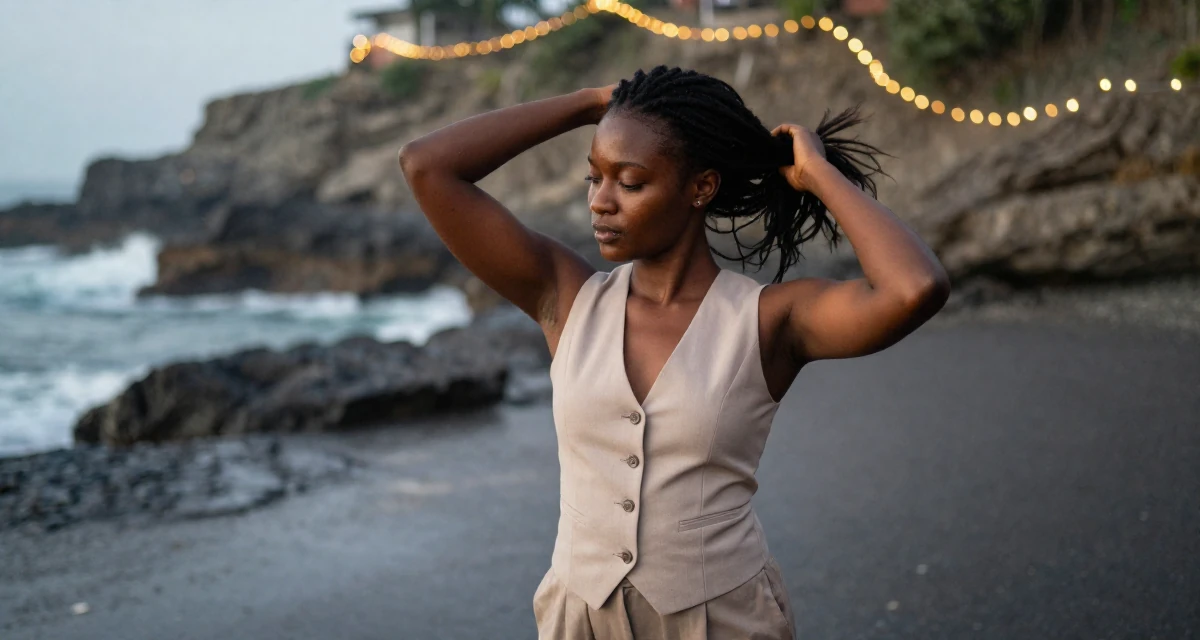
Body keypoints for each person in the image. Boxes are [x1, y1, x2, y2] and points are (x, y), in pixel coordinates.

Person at [399, 65, 950, 639]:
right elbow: (427, 166)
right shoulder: (562, 297)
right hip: (578, 617)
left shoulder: (770, 321)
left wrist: (818, 174)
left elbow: (914, 288)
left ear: (700, 188)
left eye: (630, 183)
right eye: (594, 178)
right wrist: (592, 103)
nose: (601, 203)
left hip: (721, 619)